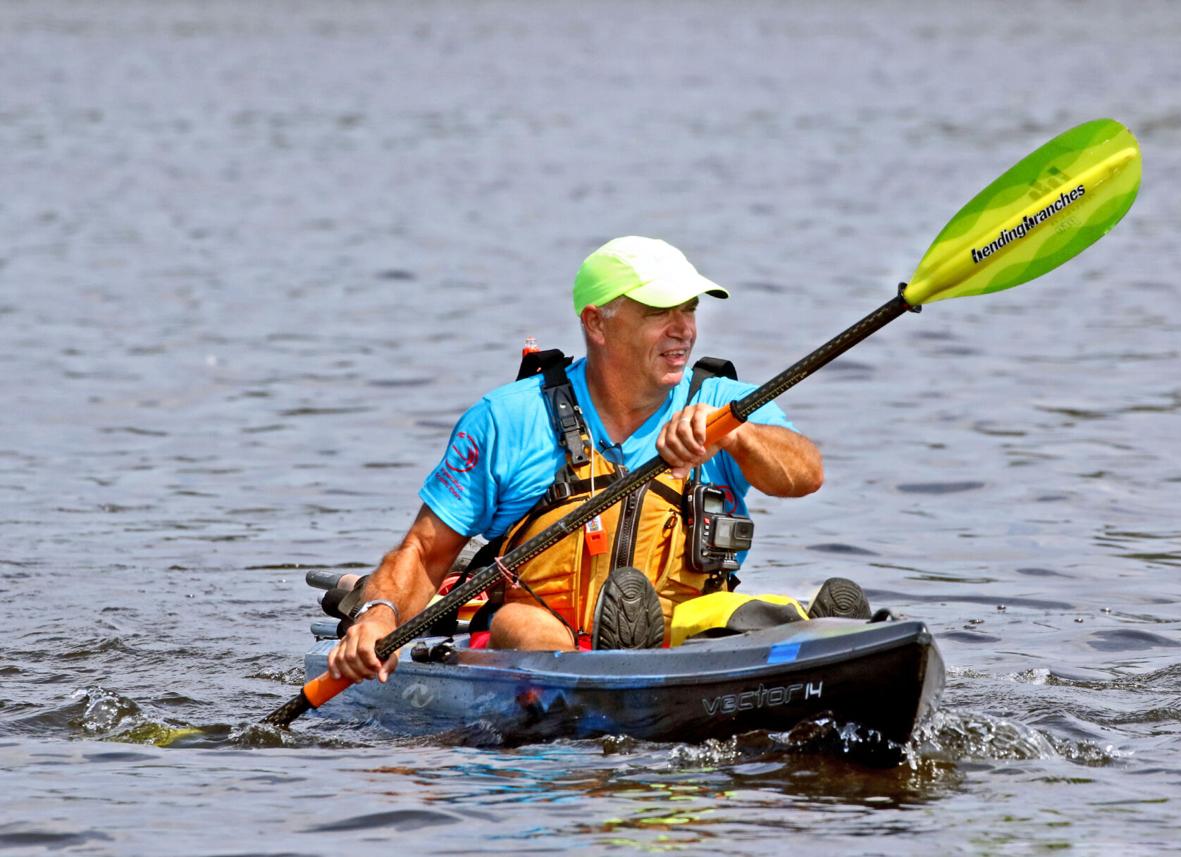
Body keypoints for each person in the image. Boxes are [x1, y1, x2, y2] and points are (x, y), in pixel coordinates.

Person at [328, 236, 827, 685]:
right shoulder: (507, 419)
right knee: (522, 624)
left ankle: (824, 635)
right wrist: (377, 618)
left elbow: (806, 475)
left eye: (689, 309)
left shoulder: (725, 402)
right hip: (545, 638)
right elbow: (424, 551)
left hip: (682, 643)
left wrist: (738, 435)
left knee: (742, 614)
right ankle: (582, 690)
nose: (683, 330)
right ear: (597, 323)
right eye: (659, 312)